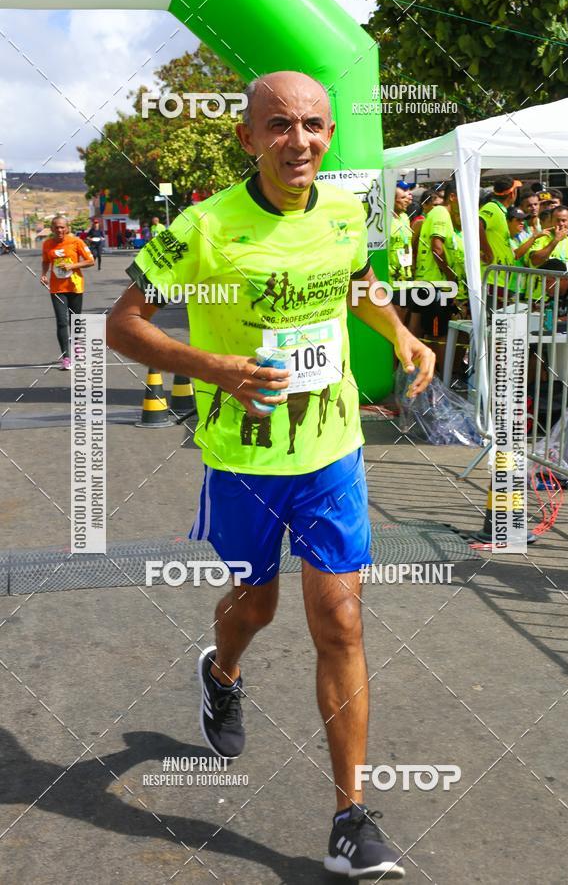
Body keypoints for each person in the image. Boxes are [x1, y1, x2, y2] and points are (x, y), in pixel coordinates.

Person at [107, 70, 434, 880]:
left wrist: (397, 334)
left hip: (331, 449)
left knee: (342, 621)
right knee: (256, 605)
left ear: (330, 134)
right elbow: (123, 324)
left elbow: (356, 284)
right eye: (281, 126)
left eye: (315, 126)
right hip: (245, 459)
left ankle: (350, 819)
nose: (301, 141)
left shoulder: (345, 211)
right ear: (249, 137)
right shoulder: (203, 227)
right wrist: (212, 365)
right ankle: (221, 672)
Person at [413, 179, 461, 366]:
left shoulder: (441, 214)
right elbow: (437, 248)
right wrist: (451, 276)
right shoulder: (441, 213)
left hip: (431, 283)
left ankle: (428, 374)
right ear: (453, 197)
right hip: (435, 285)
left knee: (428, 330)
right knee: (436, 333)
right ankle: (438, 378)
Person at [41, 216, 95, 369]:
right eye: (56, 227)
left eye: (62, 227)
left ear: (67, 228)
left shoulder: (76, 242)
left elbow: (90, 261)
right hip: (57, 288)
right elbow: (46, 261)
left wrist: (72, 266)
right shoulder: (47, 244)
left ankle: (78, 350)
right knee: (61, 321)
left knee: (75, 320)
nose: (59, 230)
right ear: (52, 228)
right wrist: (44, 274)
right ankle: (66, 358)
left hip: (75, 286)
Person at [479, 176, 522, 291]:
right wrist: (487, 252)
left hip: (498, 280)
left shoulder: (500, 210)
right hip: (491, 279)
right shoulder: (492, 207)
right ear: (512, 194)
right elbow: (477, 225)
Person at [529, 205, 568, 272]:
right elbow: (535, 261)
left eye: (564, 220)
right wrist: (556, 240)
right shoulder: (541, 238)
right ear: (551, 221)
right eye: (557, 220)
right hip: (542, 281)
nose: (561, 223)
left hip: (563, 282)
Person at [387, 184, 413, 302]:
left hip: (406, 275)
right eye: (402, 198)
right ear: (392, 200)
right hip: (391, 278)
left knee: (405, 313)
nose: (407, 200)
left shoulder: (405, 217)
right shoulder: (385, 220)